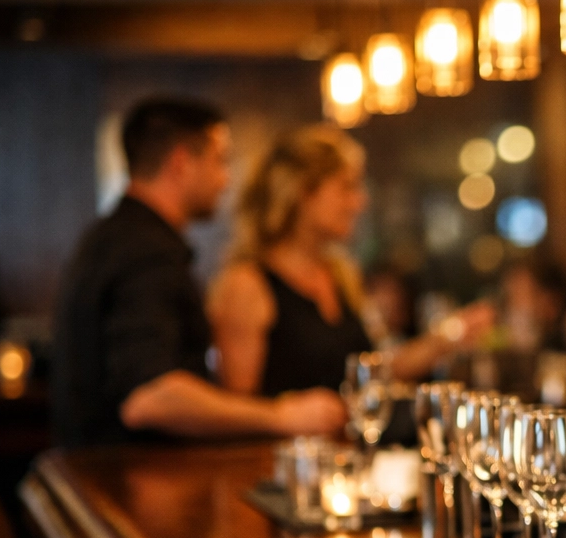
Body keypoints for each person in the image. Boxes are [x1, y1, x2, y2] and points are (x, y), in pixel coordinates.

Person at [52, 99, 345, 447]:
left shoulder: (113, 236)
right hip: (126, 478)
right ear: (180, 163)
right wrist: (281, 416)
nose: (226, 180)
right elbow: (148, 398)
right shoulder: (146, 251)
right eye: (220, 161)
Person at [207, 124, 491, 396]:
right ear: (302, 193)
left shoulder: (339, 273)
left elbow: (369, 373)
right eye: (347, 187)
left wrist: (447, 339)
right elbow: (238, 407)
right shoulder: (247, 284)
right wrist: (289, 416)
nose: (360, 201)